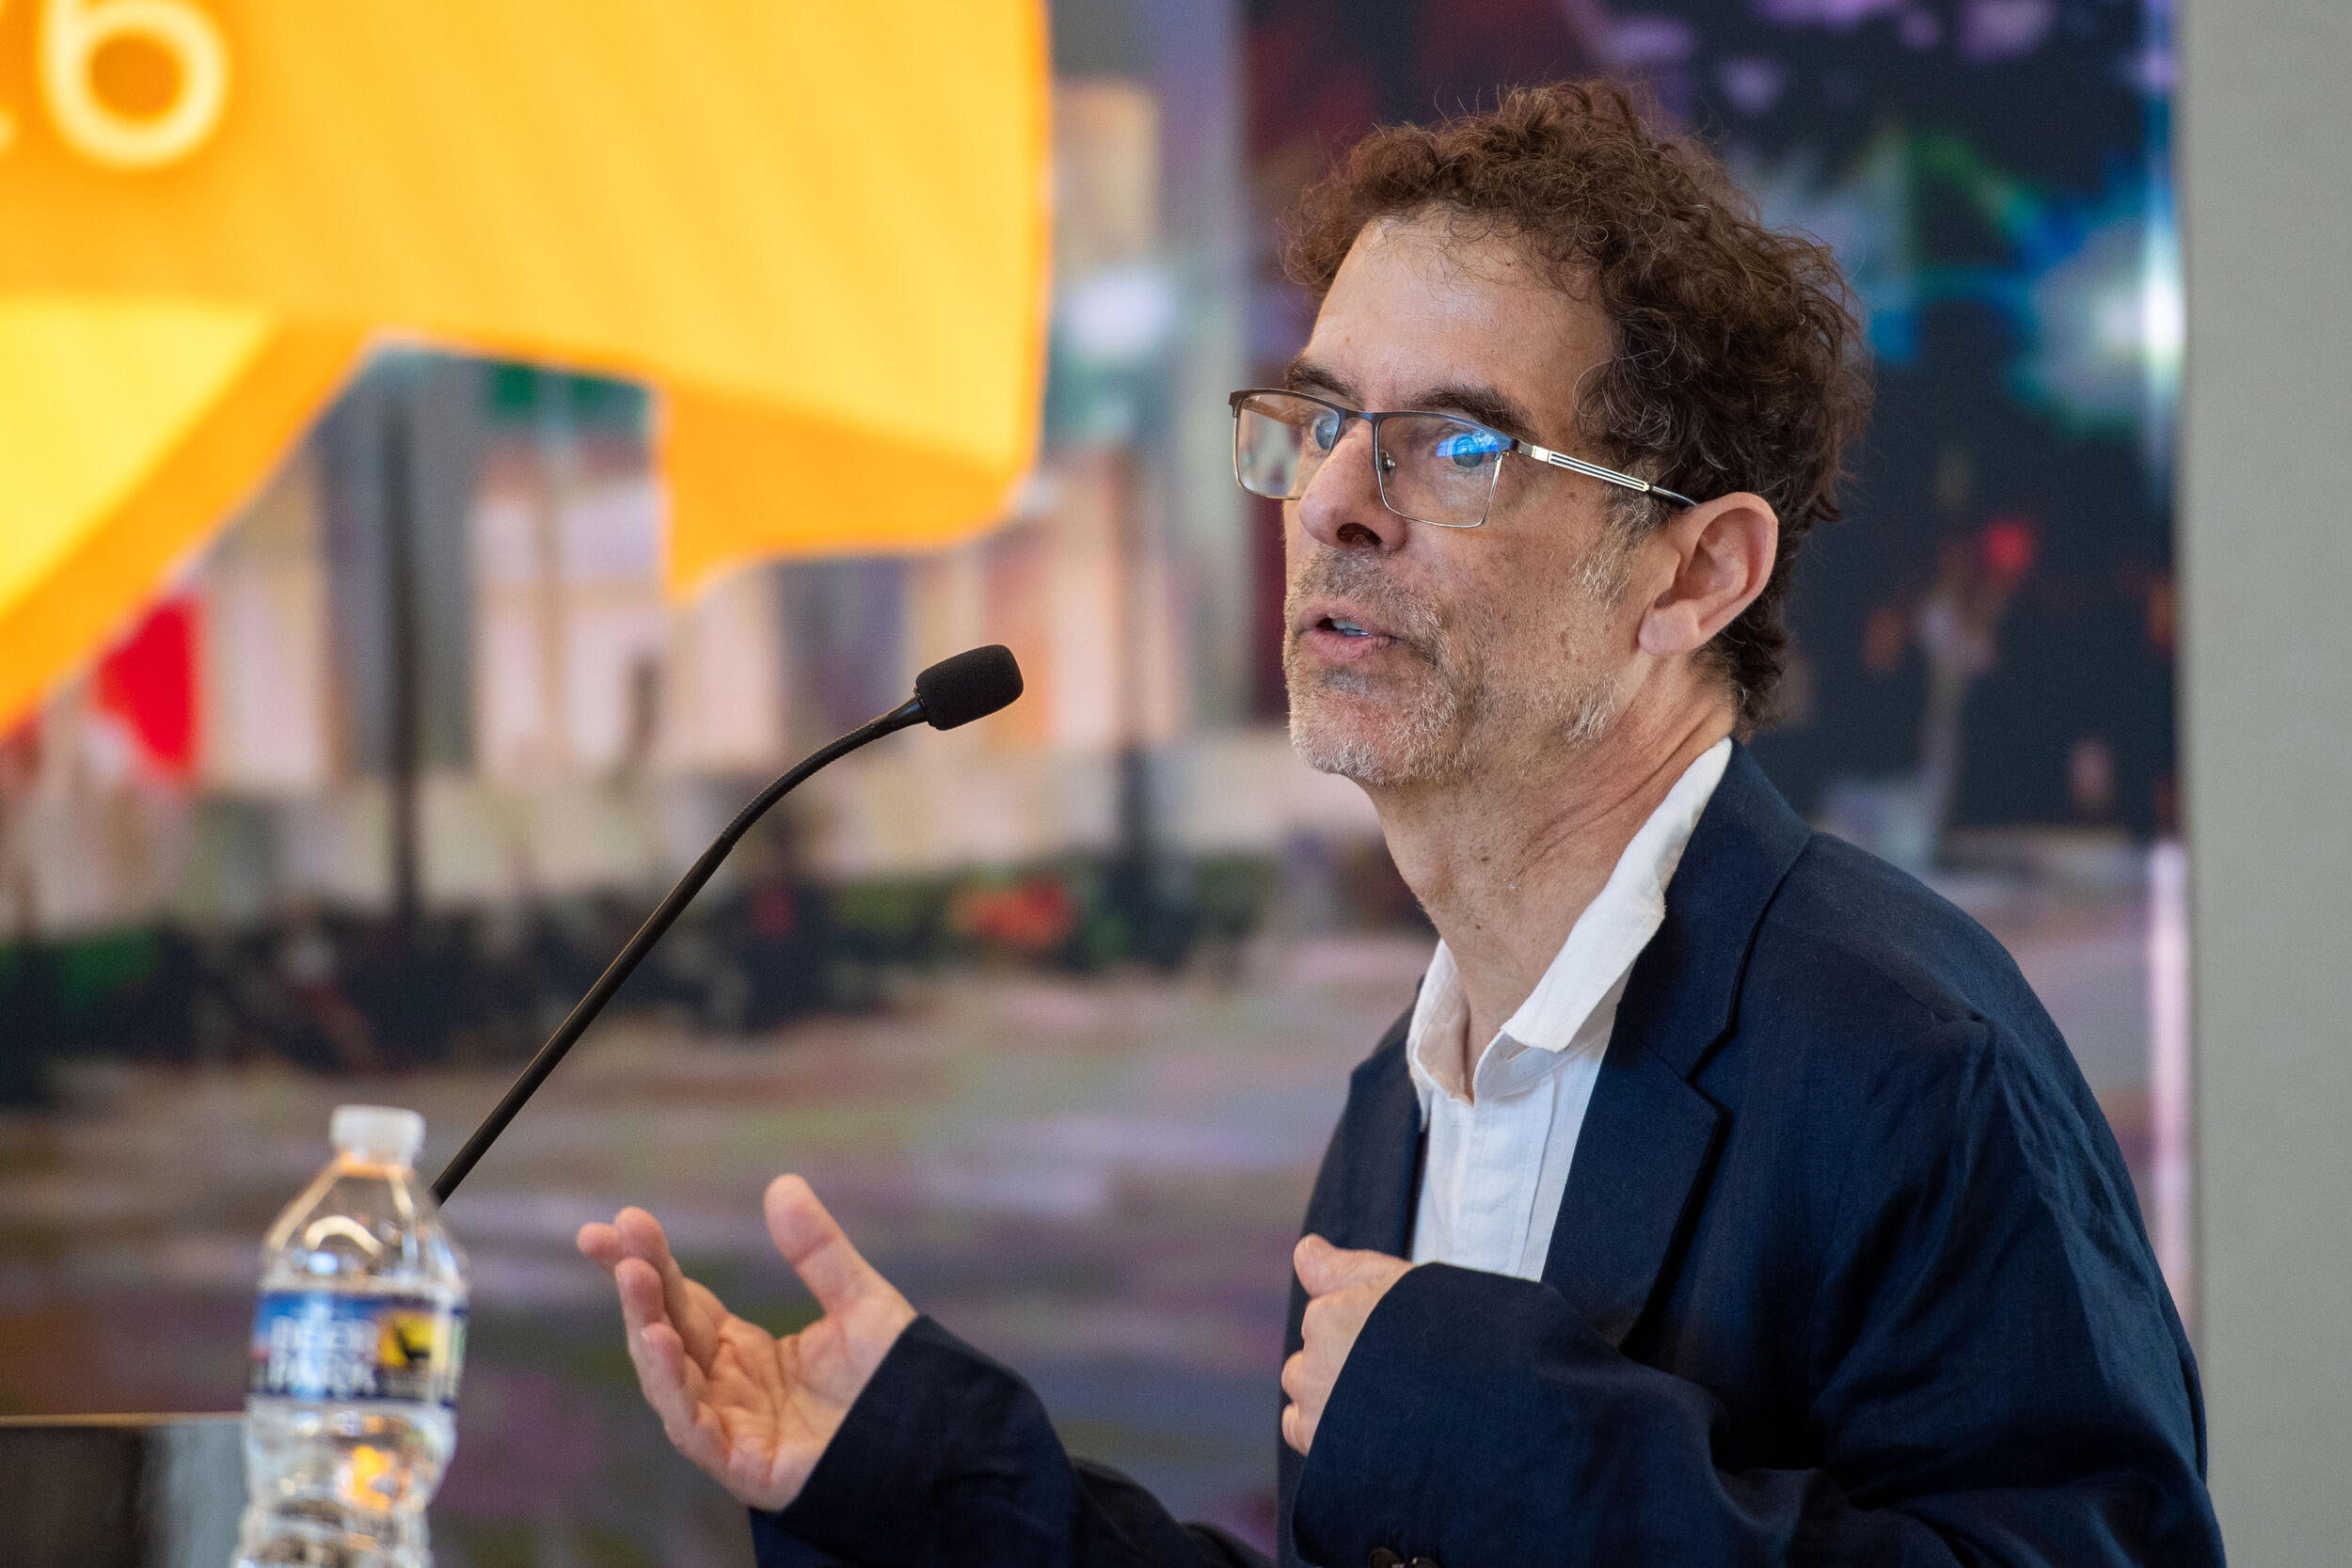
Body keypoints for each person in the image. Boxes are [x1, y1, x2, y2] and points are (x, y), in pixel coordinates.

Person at [579, 81, 2222, 1567]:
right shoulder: (1405, 1095)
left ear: (1694, 573)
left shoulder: (1907, 1062)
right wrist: (936, 1492)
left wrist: (1493, 1441)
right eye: (1316, 424)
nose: (1334, 504)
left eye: (1458, 446)